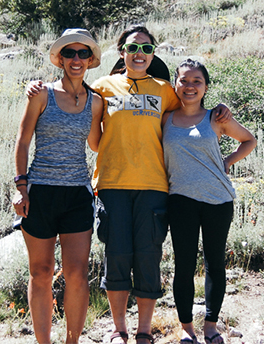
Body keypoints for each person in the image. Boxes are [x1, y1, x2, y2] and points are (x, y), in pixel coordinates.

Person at [91, 26, 232, 344]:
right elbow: (95, 141)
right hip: (112, 184)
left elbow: (190, 116)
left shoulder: (164, 90)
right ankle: (118, 329)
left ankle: (143, 331)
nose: (139, 53)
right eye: (132, 47)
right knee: (117, 255)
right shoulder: (102, 87)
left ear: (153, 53)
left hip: (155, 186)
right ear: (121, 51)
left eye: (146, 47)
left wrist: (219, 113)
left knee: (147, 256)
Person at [13, 28, 104, 344]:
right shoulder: (42, 94)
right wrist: (20, 187)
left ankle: (72, 341)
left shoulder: (96, 103)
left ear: (91, 59)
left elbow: (96, 145)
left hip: (77, 194)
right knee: (41, 274)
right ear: (61, 59)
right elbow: (23, 141)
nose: (76, 59)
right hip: (40, 193)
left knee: (77, 275)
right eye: (70, 53)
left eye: (82, 54)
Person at [162, 59, 257, 344]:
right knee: (184, 265)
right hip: (180, 200)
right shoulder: (165, 117)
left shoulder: (216, 117)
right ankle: (186, 328)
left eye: (197, 81)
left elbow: (249, 140)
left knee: (215, 262)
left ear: (205, 87)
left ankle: (211, 326)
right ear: (175, 84)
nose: (190, 86)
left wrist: (227, 162)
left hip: (217, 200)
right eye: (184, 80)